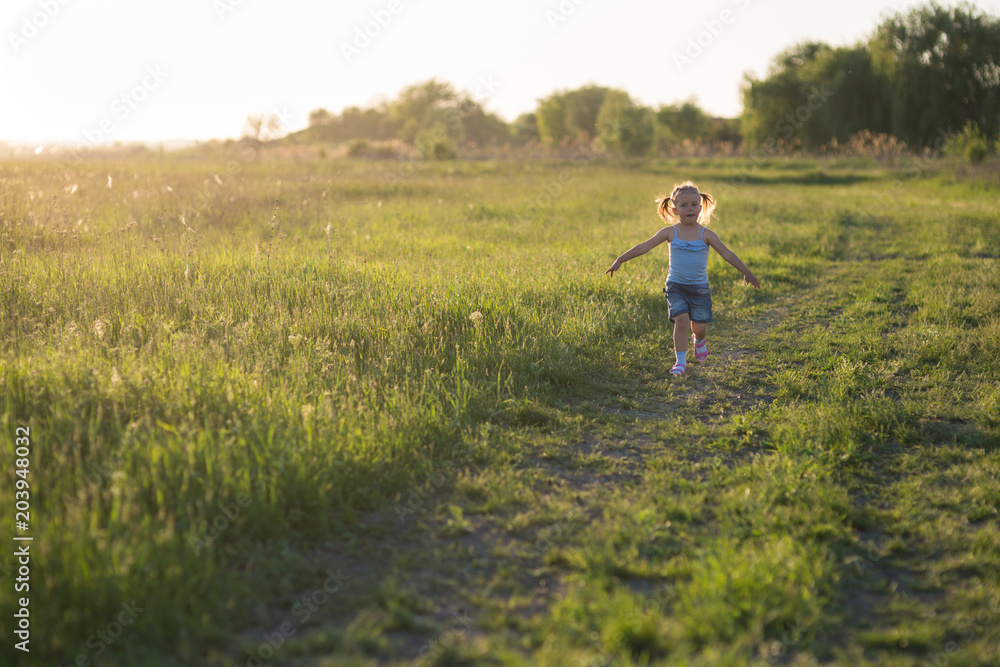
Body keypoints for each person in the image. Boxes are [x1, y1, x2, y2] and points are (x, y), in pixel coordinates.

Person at [605, 181, 759, 376]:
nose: (690, 208)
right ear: (675, 210)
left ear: (700, 208)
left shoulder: (707, 235)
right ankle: (680, 362)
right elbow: (646, 245)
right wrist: (620, 259)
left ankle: (699, 340)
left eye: (694, 205)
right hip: (676, 286)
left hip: (700, 288)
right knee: (682, 322)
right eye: (684, 205)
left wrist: (746, 271)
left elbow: (727, 254)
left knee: (699, 328)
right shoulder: (670, 232)